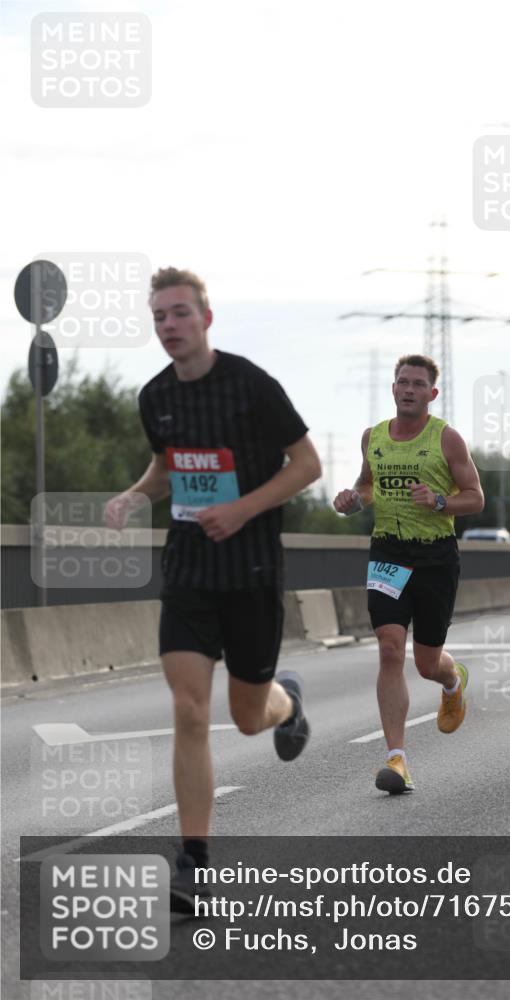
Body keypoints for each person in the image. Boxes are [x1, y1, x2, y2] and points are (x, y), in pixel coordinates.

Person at [105, 267, 321, 910]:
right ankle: (194, 861)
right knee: (190, 710)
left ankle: (287, 702)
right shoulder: (155, 397)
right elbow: (167, 467)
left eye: (180, 313)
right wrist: (135, 495)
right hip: (189, 571)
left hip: (251, 572)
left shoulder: (252, 386)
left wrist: (243, 509)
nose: (169, 326)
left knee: (249, 718)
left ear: (206, 318)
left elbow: (307, 465)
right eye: (159, 317)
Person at [333, 354, 484, 793]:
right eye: (403, 382)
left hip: (435, 557)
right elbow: (367, 485)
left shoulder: (446, 439)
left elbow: (475, 498)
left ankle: (452, 681)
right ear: (393, 388)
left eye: (418, 384)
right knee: (389, 648)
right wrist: (353, 500)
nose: (409, 389)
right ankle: (396, 759)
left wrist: (439, 501)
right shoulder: (374, 437)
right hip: (388, 551)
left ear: (432, 393)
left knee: (426, 662)